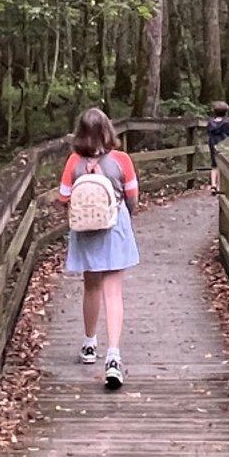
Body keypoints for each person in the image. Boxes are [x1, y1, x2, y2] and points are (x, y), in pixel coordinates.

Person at [59, 107, 140, 389]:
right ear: (108, 130)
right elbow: (132, 197)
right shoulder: (121, 160)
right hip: (114, 228)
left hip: (85, 232)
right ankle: (114, 357)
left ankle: (90, 344)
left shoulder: (73, 162)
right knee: (113, 291)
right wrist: (124, 215)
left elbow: (63, 197)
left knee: (90, 287)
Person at [205, 99, 229, 194]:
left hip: (212, 143)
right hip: (222, 142)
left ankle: (213, 185)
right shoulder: (225, 123)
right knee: (223, 164)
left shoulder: (210, 122)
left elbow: (208, 131)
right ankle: (220, 185)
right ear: (226, 113)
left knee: (214, 165)